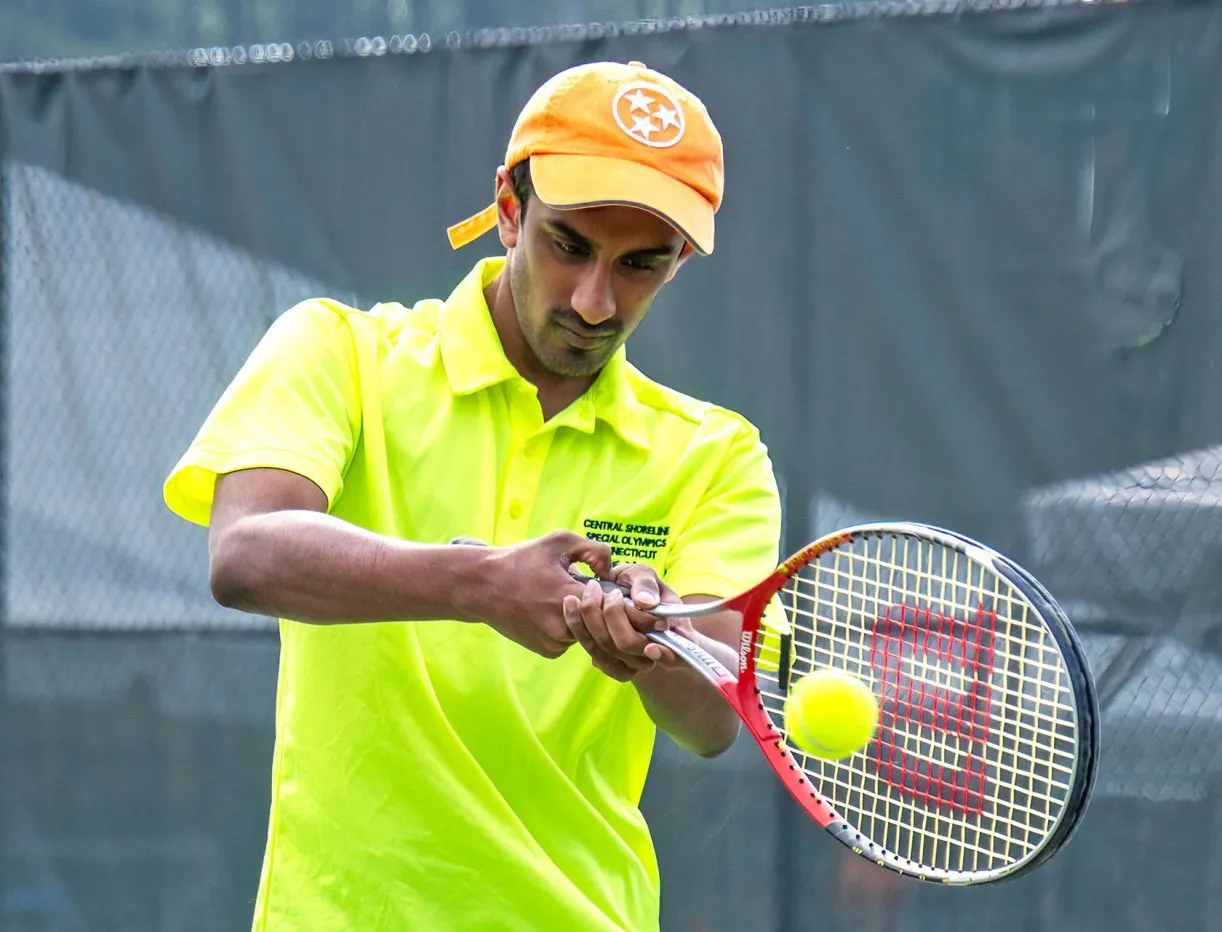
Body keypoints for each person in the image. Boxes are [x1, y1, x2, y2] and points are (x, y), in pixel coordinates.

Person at [163, 59, 782, 932]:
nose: (596, 301)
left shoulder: (717, 453)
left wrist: (651, 642)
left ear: (679, 260)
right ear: (506, 208)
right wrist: (479, 584)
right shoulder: (338, 352)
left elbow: (713, 719)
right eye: (568, 245)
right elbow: (246, 553)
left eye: (639, 265)